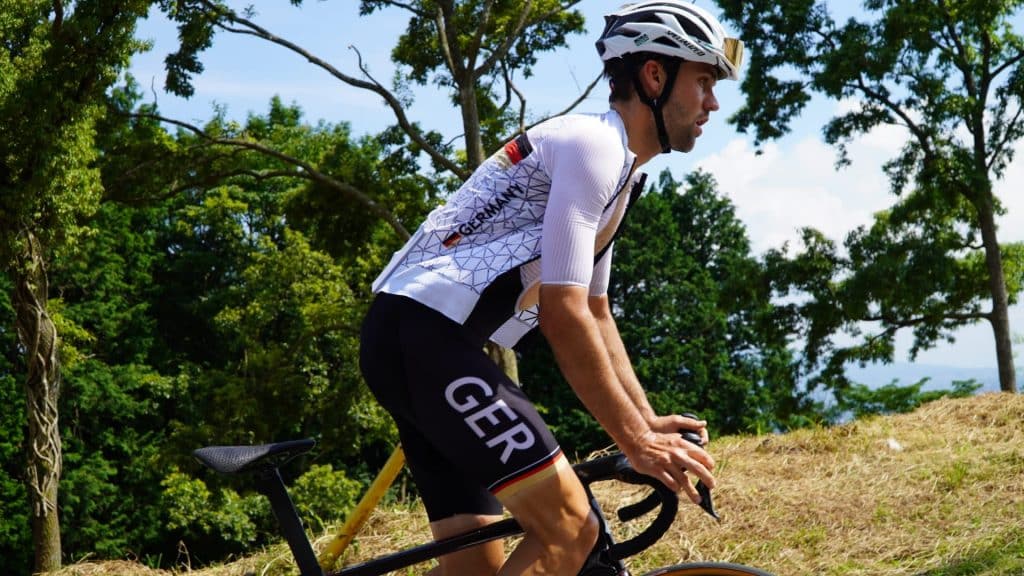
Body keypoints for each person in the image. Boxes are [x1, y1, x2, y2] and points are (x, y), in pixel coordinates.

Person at [359, 2, 744, 574]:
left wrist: (646, 419)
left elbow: (596, 308)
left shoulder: (622, 174)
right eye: (705, 81)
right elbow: (563, 316)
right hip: (428, 342)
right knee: (573, 531)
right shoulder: (595, 149)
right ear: (655, 77)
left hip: (416, 342)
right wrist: (635, 441)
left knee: (477, 567)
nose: (712, 103)